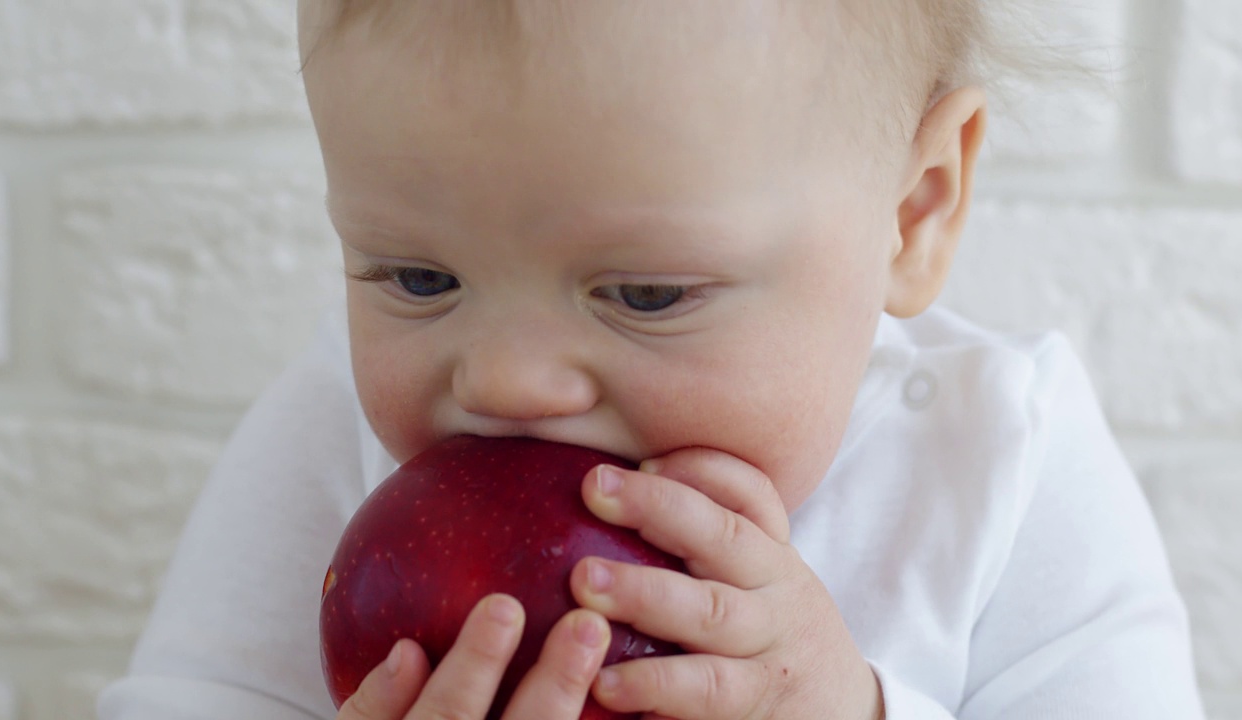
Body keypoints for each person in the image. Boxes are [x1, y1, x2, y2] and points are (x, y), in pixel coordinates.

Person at [98, 1, 1206, 719]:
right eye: (417, 279)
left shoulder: (996, 464)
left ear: (910, 214)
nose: (503, 384)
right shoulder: (326, 436)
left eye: (645, 294)